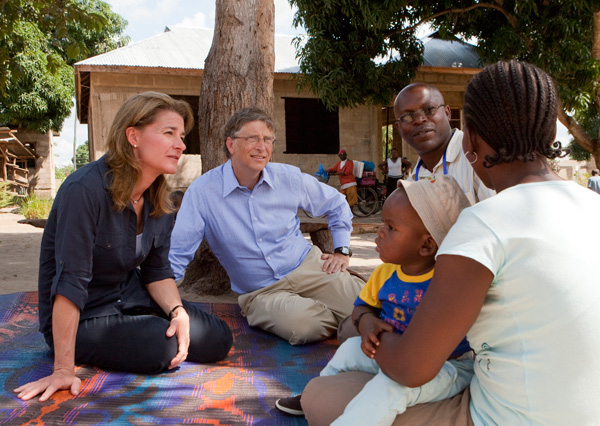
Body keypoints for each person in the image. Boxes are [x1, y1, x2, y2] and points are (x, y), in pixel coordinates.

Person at [301, 61, 600, 425]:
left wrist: (373, 337)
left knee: (320, 397)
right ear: (551, 129)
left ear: (469, 137)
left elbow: (412, 369)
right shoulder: (592, 205)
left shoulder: (484, 222)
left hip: (503, 415)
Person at [14, 92, 233, 402]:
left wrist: (177, 311)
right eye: (169, 133)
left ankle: (151, 326)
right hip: (86, 313)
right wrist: (64, 368)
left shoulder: (159, 198)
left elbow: (156, 271)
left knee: (216, 338)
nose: (181, 146)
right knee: (163, 346)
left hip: (129, 297)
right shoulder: (84, 190)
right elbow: (70, 282)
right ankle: (118, 337)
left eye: (182, 136)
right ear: (133, 136)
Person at [276, 176, 473, 426]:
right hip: (391, 351)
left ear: (426, 245)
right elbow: (362, 307)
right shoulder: (386, 273)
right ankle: (309, 396)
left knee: (390, 386)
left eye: (391, 228)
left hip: (446, 367)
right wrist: (367, 321)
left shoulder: (447, 281)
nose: (380, 231)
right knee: (348, 349)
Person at [169, 108, 364, 346]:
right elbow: (178, 253)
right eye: (252, 138)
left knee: (366, 306)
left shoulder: (288, 177)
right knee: (303, 327)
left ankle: (346, 313)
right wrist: (166, 303)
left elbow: (336, 204)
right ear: (230, 145)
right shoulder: (202, 192)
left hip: (310, 269)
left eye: (268, 139)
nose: (262, 147)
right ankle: (345, 319)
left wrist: (342, 250)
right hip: (262, 291)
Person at [394, 82, 494, 205]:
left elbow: (499, 219)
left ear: (447, 113)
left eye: (428, 109)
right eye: (407, 116)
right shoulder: (413, 182)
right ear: (399, 128)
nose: (419, 120)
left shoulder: (477, 155)